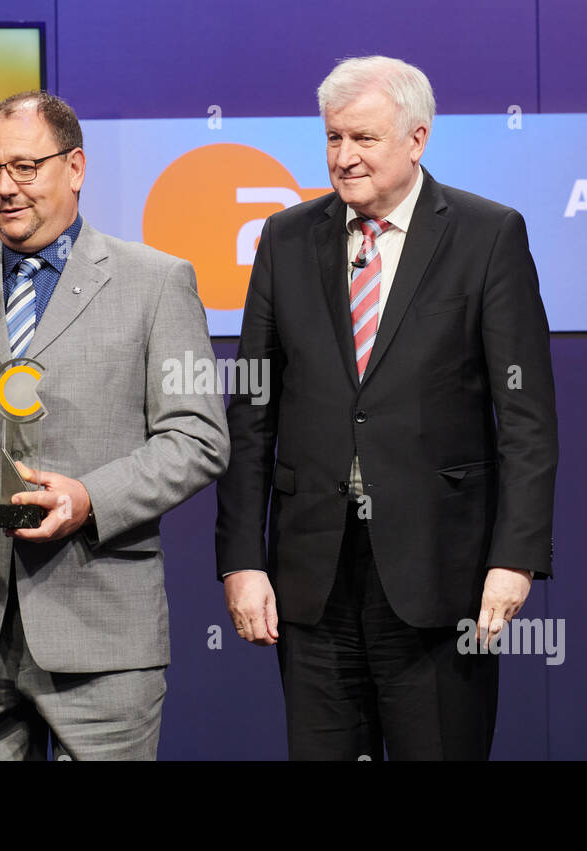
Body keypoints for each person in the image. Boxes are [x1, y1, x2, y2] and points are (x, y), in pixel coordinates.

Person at [0, 91, 229, 760]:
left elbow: (197, 437)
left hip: (102, 632)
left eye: (26, 167)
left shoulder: (156, 283)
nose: (5, 187)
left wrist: (90, 499)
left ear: (76, 166)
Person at [216, 56, 559, 760]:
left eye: (364, 139)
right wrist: (241, 559)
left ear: (417, 138)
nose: (344, 158)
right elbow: (251, 409)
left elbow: (525, 417)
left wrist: (515, 556)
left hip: (441, 574)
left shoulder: (487, 235)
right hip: (310, 578)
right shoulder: (285, 238)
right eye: (334, 139)